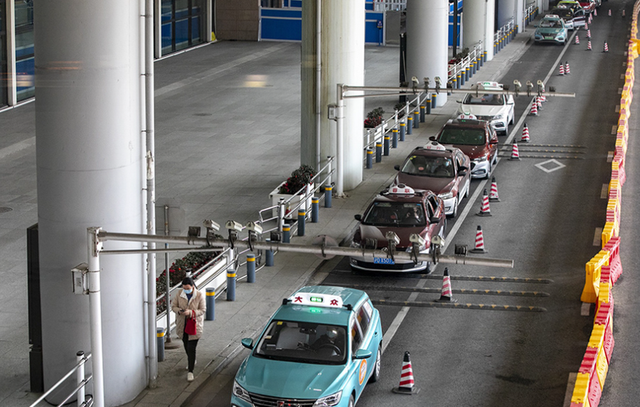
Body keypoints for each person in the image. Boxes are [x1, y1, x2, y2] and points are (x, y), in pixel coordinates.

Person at [171, 277, 206, 382]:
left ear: (192, 286)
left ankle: (190, 371)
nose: (186, 290)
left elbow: (202, 310)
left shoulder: (199, 295)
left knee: (191, 348)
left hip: (194, 326)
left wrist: (190, 312)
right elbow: (173, 306)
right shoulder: (179, 294)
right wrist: (180, 311)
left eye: (188, 288)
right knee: (186, 345)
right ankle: (192, 359)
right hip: (183, 325)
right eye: (184, 288)